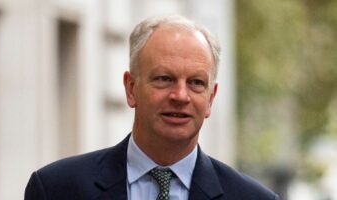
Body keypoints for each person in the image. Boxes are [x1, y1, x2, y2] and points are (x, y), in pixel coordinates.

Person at [25, 15, 279, 200]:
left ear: (211, 98)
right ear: (131, 88)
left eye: (196, 83)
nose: (180, 95)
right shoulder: (56, 189)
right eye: (164, 79)